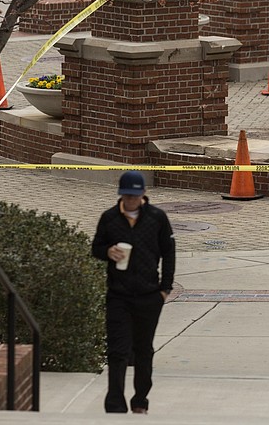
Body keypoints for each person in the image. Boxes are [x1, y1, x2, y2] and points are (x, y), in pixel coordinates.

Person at [92, 171, 176, 414]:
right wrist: (107, 251)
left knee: (143, 350)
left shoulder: (157, 218)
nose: (131, 201)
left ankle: (140, 400)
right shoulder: (109, 218)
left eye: (135, 196)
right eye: (127, 196)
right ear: (121, 195)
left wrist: (165, 289)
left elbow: (169, 252)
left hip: (150, 295)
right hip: (118, 295)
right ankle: (115, 404)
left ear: (143, 195)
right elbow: (96, 248)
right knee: (118, 350)